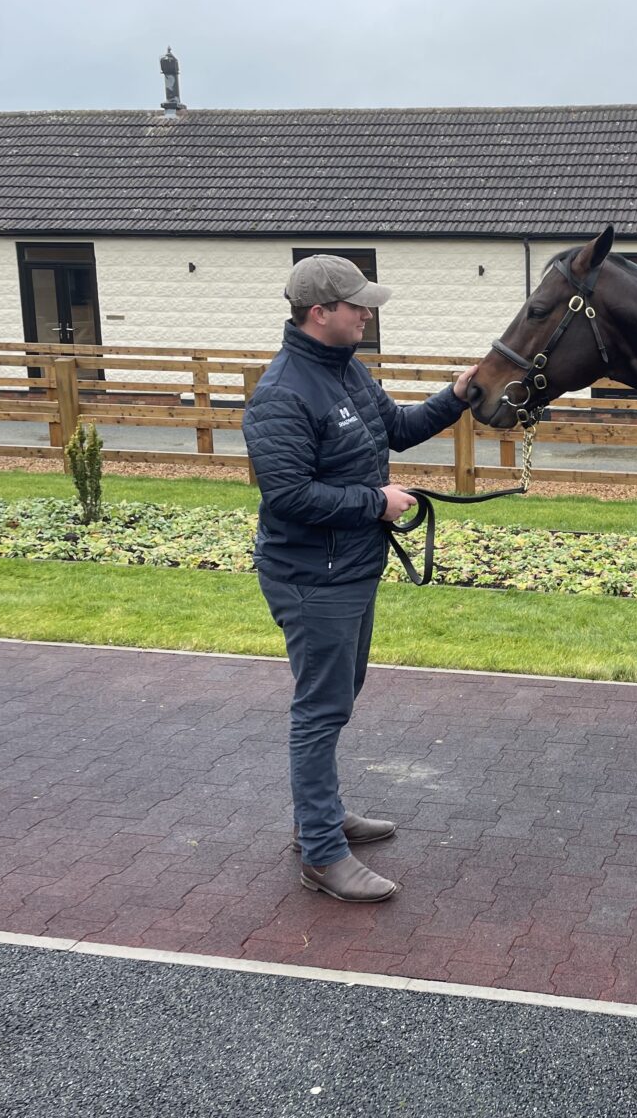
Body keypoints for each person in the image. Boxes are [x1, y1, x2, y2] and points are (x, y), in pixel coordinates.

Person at [244, 255, 475, 902]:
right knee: (320, 709)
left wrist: (456, 396)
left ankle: (319, 815)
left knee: (337, 698)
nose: (367, 313)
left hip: (348, 568)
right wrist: (375, 503)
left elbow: (396, 428)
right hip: (310, 578)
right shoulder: (284, 393)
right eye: (357, 305)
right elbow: (288, 495)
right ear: (320, 313)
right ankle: (321, 852)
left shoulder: (345, 371)